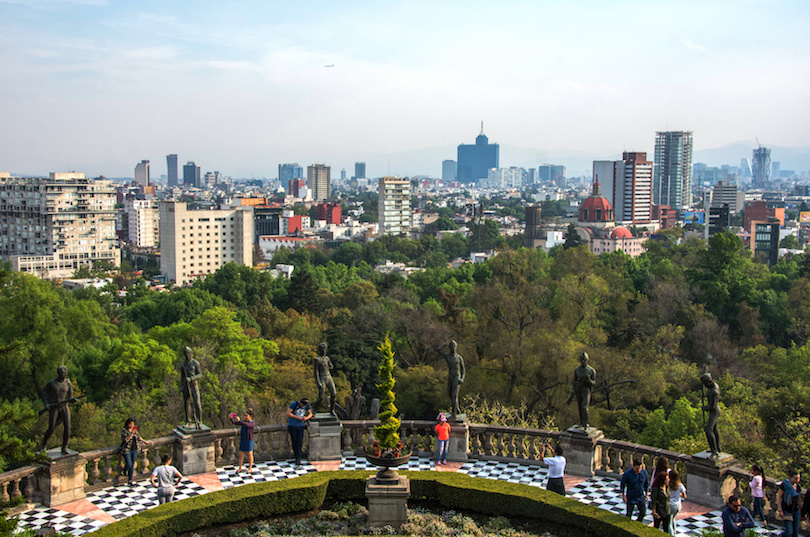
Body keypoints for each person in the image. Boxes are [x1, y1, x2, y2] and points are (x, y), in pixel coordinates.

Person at [40, 365, 77, 454]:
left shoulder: (68, 383)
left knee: (67, 427)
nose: (63, 376)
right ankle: (44, 445)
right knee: (51, 427)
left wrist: (72, 400)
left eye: (64, 374)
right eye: (61, 374)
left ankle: (64, 447)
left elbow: (70, 396)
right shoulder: (51, 383)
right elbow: (43, 393)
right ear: (58, 374)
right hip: (54, 407)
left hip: (64, 407)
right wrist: (46, 404)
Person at [436, 340, 466, 416]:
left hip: (456, 377)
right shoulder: (448, 356)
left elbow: (463, 369)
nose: (453, 348)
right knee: (450, 394)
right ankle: (457, 409)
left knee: (454, 395)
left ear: (456, 347)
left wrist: (462, 378)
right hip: (450, 377)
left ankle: (454, 413)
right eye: (451, 347)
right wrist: (444, 344)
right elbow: (438, 350)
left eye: (454, 347)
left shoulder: (459, 358)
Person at [569, 352, 596, 429]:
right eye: (581, 360)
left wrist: (589, 380)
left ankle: (586, 423)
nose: (583, 361)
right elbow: (574, 381)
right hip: (579, 390)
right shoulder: (577, 370)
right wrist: (574, 389)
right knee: (579, 407)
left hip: (586, 391)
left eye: (584, 360)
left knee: (584, 407)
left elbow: (594, 383)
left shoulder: (591, 370)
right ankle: (581, 422)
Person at [120, 418, 150, 486]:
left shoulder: (135, 430)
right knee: (129, 464)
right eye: (130, 424)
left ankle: (130, 480)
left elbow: (139, 437)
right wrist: (131, 433)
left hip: (134, 449)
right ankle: (125, 470)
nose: (132, 425)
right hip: (127, 450)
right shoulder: (124, 431)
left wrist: (145, 441)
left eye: (132, 424)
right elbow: (125, 440)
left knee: (132, 465)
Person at [180, 346, 203, 429]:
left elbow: (200, 374)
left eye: (188, 353)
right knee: (186, 404)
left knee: (197, 403)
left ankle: (199, 421)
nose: (186, 355)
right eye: (185, 353)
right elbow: (182, 377)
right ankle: (188, 421)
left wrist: (191, 378)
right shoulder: (183, 365)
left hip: (194, 385)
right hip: (186, 386)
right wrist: (182, 386)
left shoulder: (195, 363)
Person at [701, 372, 721, 458]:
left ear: (708, 382)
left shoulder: (714, 391)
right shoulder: (711, 386)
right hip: (713, 411)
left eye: (705, 384)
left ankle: (715, 451)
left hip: (715, 411)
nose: (704, 386)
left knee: (708, 430)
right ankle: (718, 448)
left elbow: (712, 407)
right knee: (715, 430)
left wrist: (704, 408)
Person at [286, 397, 312, 465]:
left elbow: (310, 413)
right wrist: (296, 417)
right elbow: (288, 413)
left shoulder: (307, 405)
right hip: (293, 425)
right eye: (303, 405)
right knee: (294, 441)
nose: (304, 407)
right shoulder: (294, 404)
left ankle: (298, 458)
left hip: (300, 425)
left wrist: (306, 418)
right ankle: (296, 457)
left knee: (299, 442)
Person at [229, 409, 256, 474]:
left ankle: (250, 468)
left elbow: (247, 425)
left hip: (249, 440)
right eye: (245, 416)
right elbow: (235, 423)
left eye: (247, 416)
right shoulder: (243, 422)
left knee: (250, 454)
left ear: (250, 416)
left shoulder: (252, 423)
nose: (245, 417)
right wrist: (231, 418)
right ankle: (240, 468)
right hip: (243, 440)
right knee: (241, 455)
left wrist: (240, 421)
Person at [313, 343, 336, 415]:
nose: (324, 351)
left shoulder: (327, 358)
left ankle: (332, 410)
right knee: (321, 397)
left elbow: (331, 366)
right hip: (322, 377)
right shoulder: (317, 359)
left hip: (329, 377)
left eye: (325, 349)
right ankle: (314, 410)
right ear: (320, 350)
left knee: (334, 394)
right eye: (322, 349)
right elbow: (316, 372)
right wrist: (318, 382)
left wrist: (330, 365)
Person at [776, 470, 801, 537]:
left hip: (795, 510)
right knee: (789, 531)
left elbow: (799, 499)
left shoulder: (797, 487)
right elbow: (779, 496)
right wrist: (780, 509)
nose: (797, 480)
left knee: (795, 532)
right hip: (786, 510)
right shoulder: (785, 485)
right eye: (795, 478)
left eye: (798, 479)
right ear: (790, 477)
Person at [667, 469, 686, 534]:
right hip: (677, 505)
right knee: (673, 519)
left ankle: (671, 534)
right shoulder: (680, 485)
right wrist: (678, 494)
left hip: (670, 505)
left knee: (669, 523)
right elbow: (684, 496)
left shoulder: (668, 484)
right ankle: (674, 532)